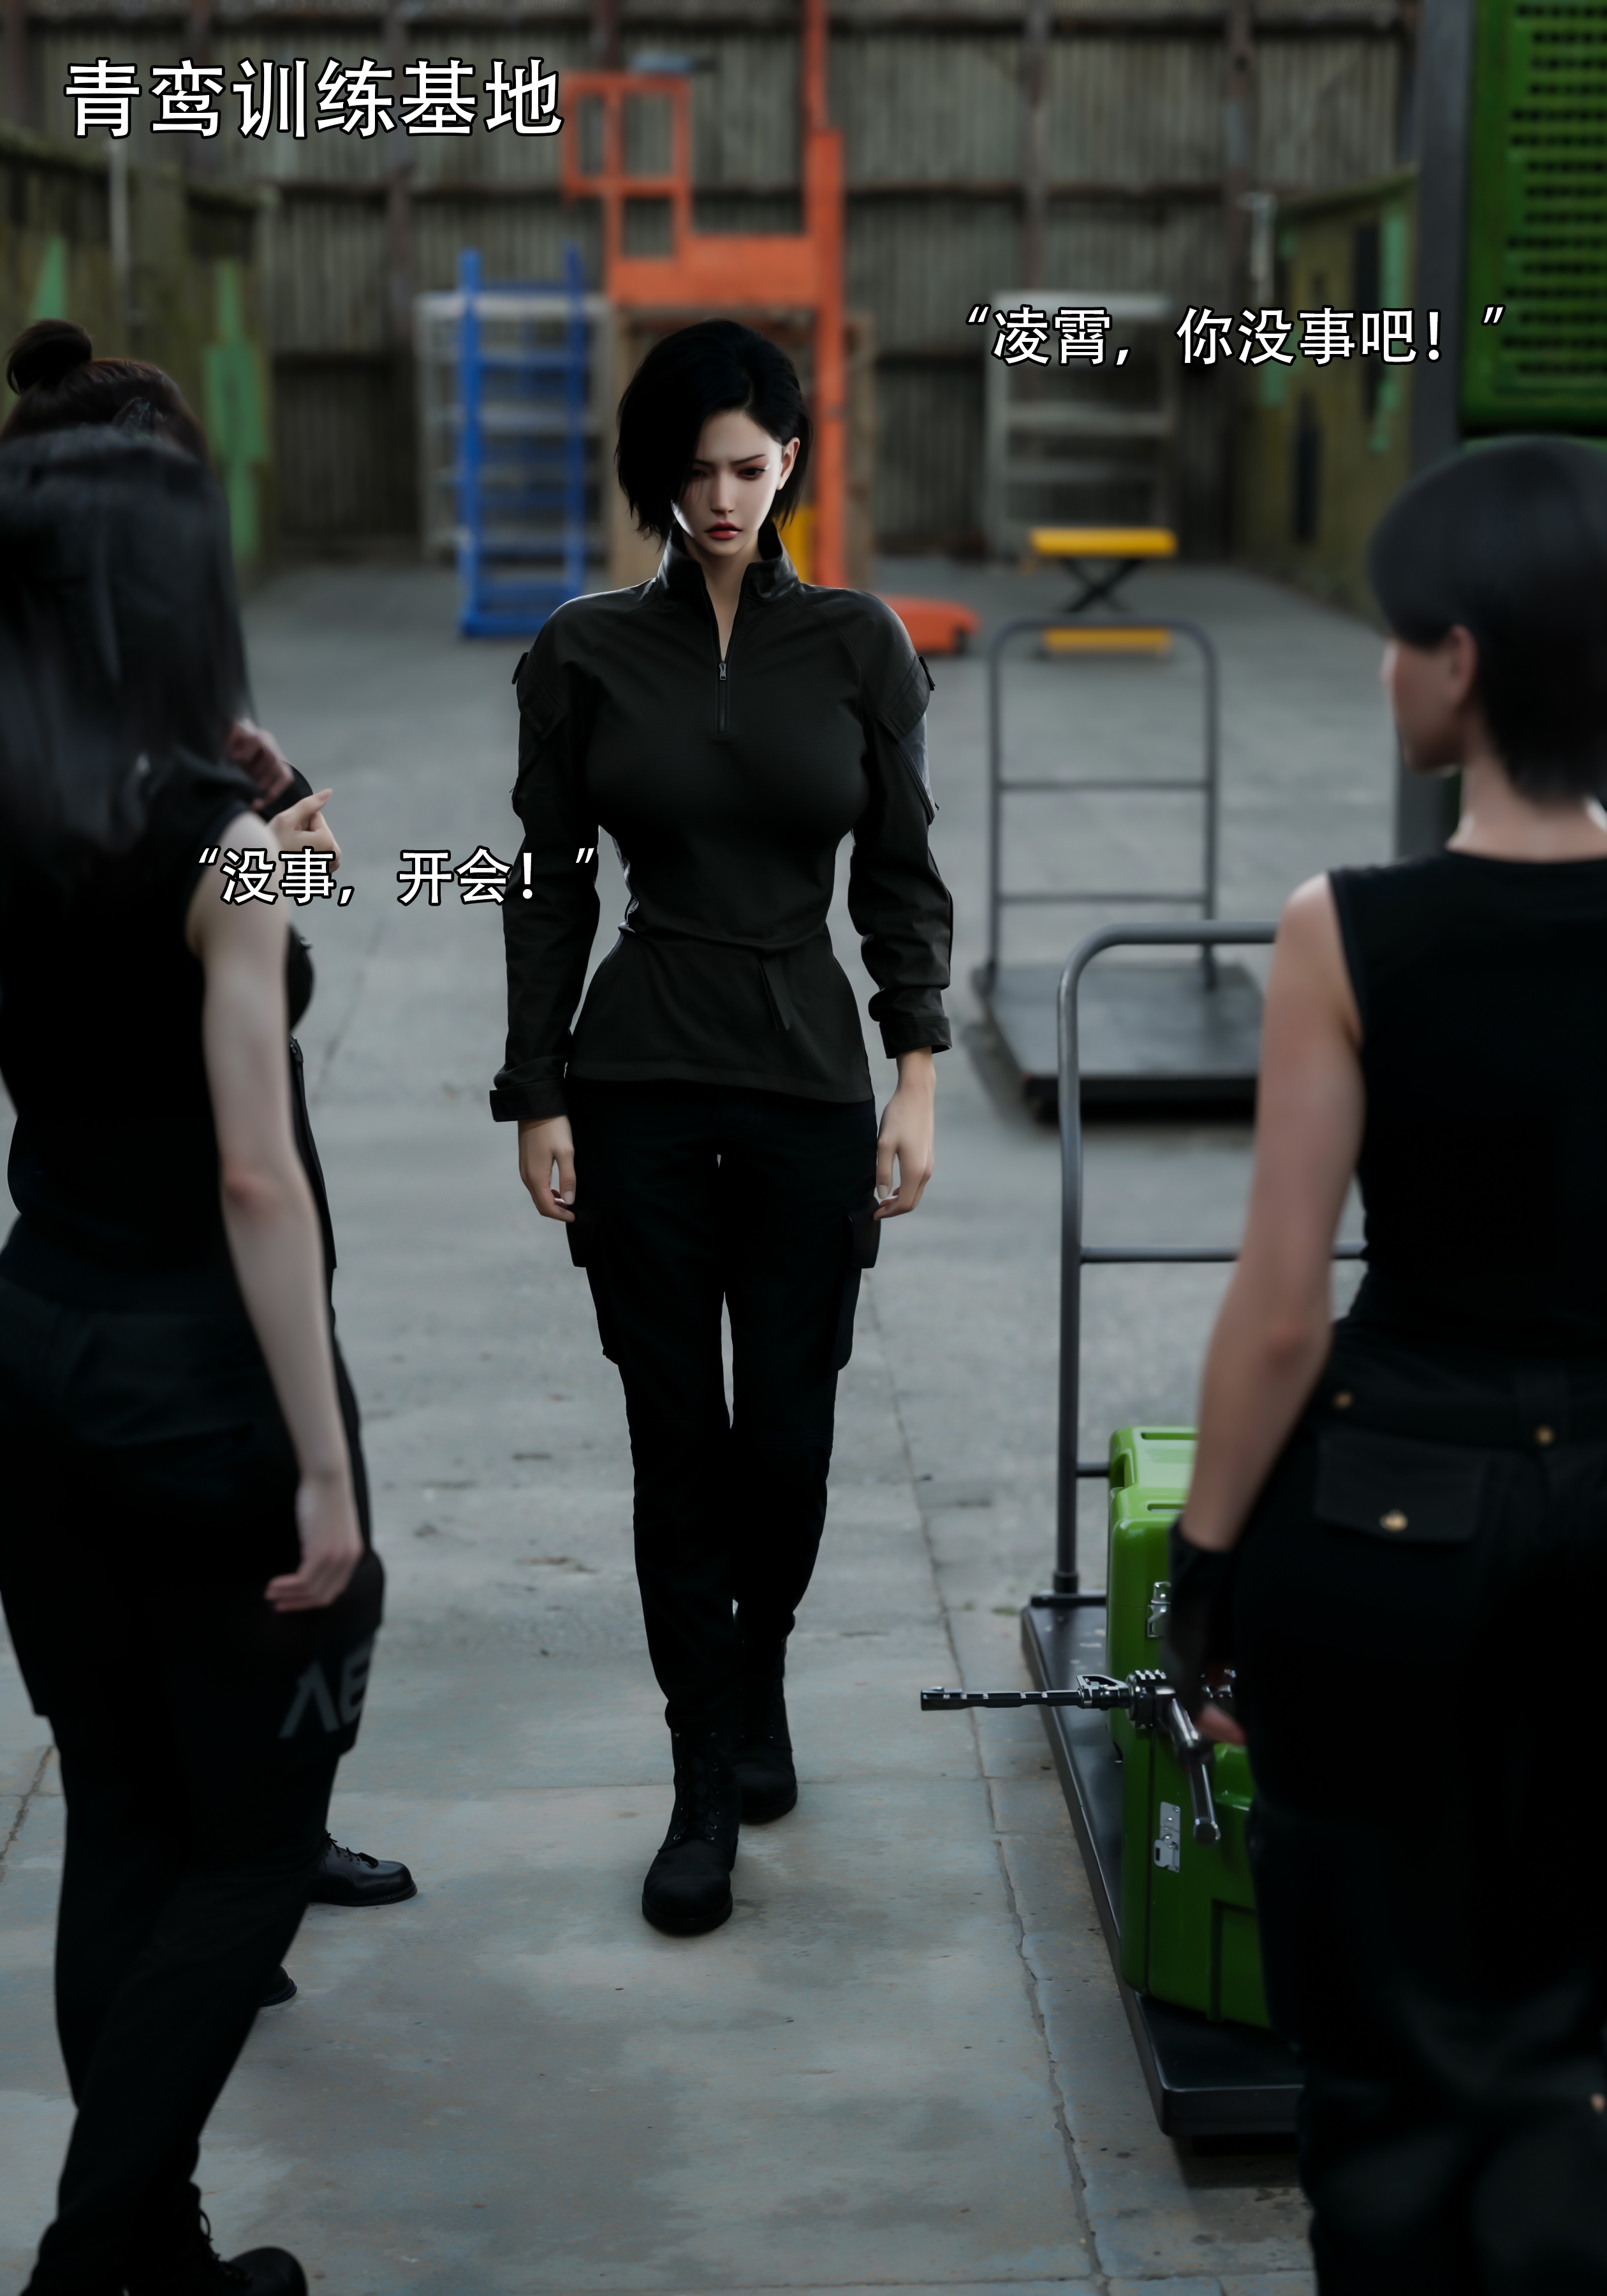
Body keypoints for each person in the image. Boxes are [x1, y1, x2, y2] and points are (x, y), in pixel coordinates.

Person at [1161, 437, 1607, 2294]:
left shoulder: (1345, 930)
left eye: (1399, 634)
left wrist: (1202, 1567)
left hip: (1388, 1521)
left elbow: (1282, 1306)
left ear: (1464, 662)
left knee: (1384, 2038)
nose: (1385, 666)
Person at [492, 320, 952, 1936]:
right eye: (692, 473)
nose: (721, 499)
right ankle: (701, 1784)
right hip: (639, 1087)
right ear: (655, 479)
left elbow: (902, 875)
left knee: (791, 1445)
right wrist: (537, 1089)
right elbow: (547, 883)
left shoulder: (860, 644)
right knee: (676, 1441)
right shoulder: (582, 653)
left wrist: (918, 1073)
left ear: (793, 463)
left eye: (748, 468)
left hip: (810, 1088)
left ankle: (759, 1675)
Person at [3, 321, 417, 1960]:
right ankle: (237, 1881)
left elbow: (274, 906)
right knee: (290, 1575)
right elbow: (230, 993)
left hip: (82, 1267)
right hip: (200, 1270)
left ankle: (252, 1853)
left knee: (177, 1658)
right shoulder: (140, 785)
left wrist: (270, 806)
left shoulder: (112, 744)